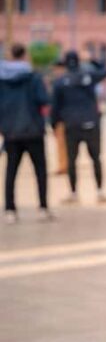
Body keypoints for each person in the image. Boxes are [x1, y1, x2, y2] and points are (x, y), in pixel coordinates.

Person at [0, 44, 53, 223]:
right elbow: (43, 100)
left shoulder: (2, 79)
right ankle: (43, 208)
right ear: (24, 56)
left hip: (11, 132)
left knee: (11, 171)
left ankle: (9, 210)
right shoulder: (34, 77)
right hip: (33, 131)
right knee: (40, 171)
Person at [51, 50, 106, 204]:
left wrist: (54, 125)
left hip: (71, 125)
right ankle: (100, 191)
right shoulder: (88, 77)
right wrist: (93, 59)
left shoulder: (60, 81)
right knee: (95, 158)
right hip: (91, 123)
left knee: (72, 160)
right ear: (79, 61)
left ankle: (73, 193)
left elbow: (55, 107)